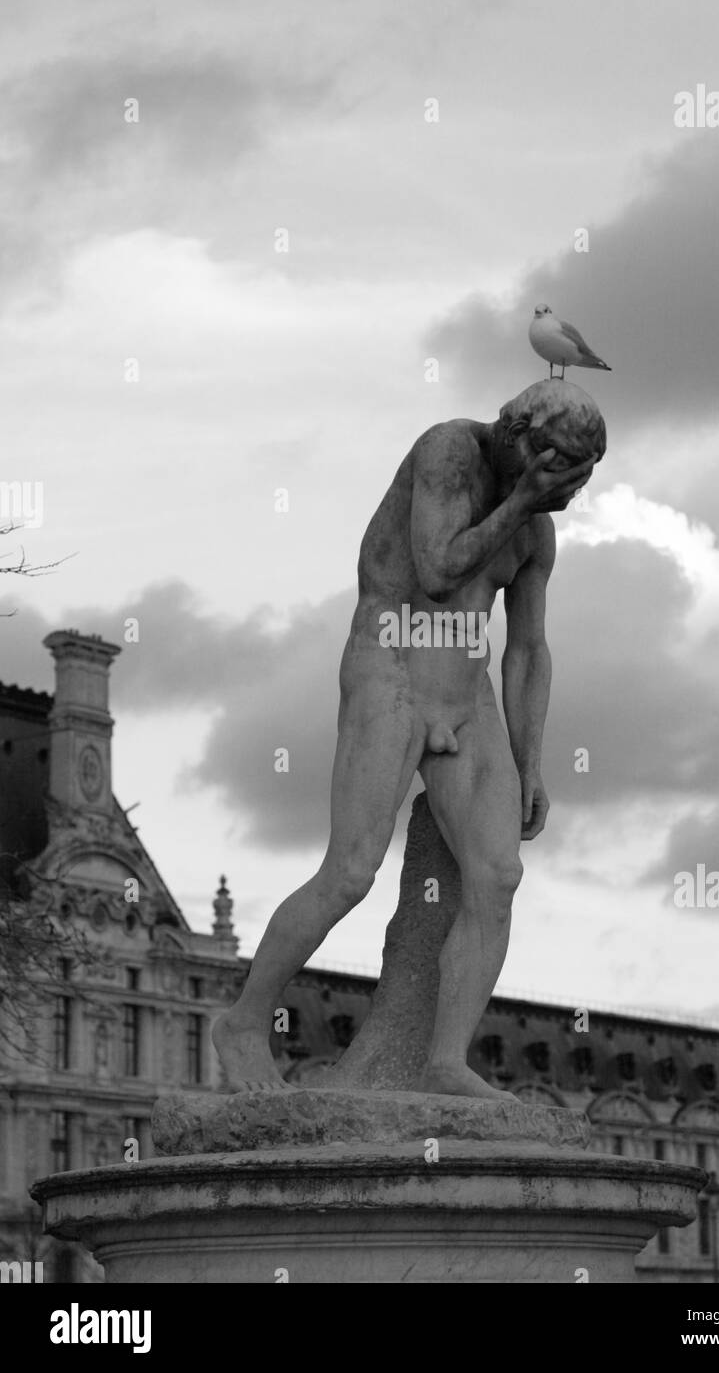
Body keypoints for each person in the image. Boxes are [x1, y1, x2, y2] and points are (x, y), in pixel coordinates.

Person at [214, 378, 605, 1097]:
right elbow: (438, 568)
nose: (569, 495)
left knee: (498, 876)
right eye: (563, 474)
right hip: (388, 668)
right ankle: (242, 1021)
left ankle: (443, 1061)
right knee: (350, 873)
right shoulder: (448, 452)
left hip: (465, 691)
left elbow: (527, 650)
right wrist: (522, 500)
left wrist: (531, 761)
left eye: (581, 481)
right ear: (525, 445)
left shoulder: (536, 529)